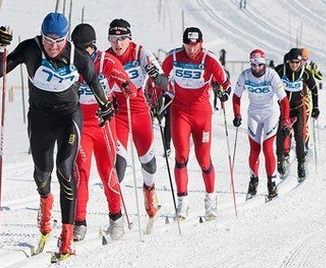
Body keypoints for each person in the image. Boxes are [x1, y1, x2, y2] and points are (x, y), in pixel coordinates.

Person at [0, 13, 113, 261]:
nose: (53, 46)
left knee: (64, 169)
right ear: (41, 36)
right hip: (40, 119)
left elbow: (92, 79)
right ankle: (45, 205)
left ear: (66, 39)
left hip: (68, 117)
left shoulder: (76, 55)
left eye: (58, 41)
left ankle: (67, 237)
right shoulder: (30, 49)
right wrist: (1, 48)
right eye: (48, 40)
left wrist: (104, 105)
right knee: (42, 173)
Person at [70, 23, 135, 242]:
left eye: (82, 49)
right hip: (82, 126)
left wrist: (127, 89)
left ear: (91, 47)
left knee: (109, 173)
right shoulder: (70, 63)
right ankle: (79, 223)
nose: (78, 53)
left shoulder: (106, 62)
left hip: (105, 125)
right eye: (75, 48)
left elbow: (128, 84)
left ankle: (115, 219)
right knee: (81, 173)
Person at [161, 27, 230, 220]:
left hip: (202, 114)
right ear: (183, 43)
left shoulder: (209, 58)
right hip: (180, 112)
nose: (191, 50)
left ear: (201, 43)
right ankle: (182, 204)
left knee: (204, 159)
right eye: (188, 45)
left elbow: (225, 81)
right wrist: (158, 96)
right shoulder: (173, 57)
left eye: (195, 45)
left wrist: (225, 92)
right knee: (181, 155)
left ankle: (211, 201)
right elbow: (158, 79)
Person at [99, 19, 163, 224]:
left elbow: (164, 82)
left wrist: (154, 75)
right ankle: (116, 212)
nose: (118, 44)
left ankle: (149, 189)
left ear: (130, 38)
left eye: (122, 39)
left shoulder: (140, 53)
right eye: (114, 39)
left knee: (149, 164)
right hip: (118, 114)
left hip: (140, 112)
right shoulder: (105, 58)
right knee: (118, 167)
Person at [232, 50, 290, 200]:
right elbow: (236, 96)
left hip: (270, 113)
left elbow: (283, 100)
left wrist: (285, 120)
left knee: (267, 148)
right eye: (253, 65)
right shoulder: (245, 75)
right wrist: (237, 114)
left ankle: (271, 182)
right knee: (255, 149)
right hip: (254, 113)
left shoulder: (271, 75)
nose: (256, 68)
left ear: (264, 63)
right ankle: (254, 180)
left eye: (259, 65)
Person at [274, 48, 318, 181]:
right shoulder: (281, 70)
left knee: (299, 135)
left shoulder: (305, 72)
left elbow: (314, 89)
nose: (294, 65)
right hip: (284, 107)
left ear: (301, 62)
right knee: (282, 133)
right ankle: (281, 159)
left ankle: (301, 164)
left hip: (299, 107)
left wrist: (316, 107)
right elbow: (270, 83)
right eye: (292, 62)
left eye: (297, 63)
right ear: (288, 61)